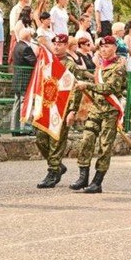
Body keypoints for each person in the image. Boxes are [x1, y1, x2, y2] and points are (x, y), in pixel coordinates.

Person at [70, 35, 127, 193]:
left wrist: (87, 85)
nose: (103, 49)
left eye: (107, 46)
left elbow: (109, 89)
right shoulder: (100, 67)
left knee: (105, 145)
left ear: (114, 48)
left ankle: (97, 181)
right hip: (96, 108)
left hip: (110, 110)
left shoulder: (119, 67)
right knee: (86, 139)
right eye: (101, 47)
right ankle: (83, 176)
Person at [32, 34, 82, 188]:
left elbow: (76, 89)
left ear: (66, 46)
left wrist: (73, 110)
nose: (56, 46)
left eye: (60, 44)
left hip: (62, 109)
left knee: (56, 141)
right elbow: (40, 84)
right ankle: (57, 164)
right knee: (40, 139)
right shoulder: (47, 63)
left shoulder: (70, 65)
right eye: (54, 44)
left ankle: (53, 172)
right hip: (46, 106)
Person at [11, 28, 37, 136]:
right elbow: (33, 61)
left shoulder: (17, 46)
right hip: (24, 80)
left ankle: (14, 128)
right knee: (24, 104)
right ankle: (24, 128)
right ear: (28, 36)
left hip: (18, 79)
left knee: (16, 104)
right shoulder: (26, 48)